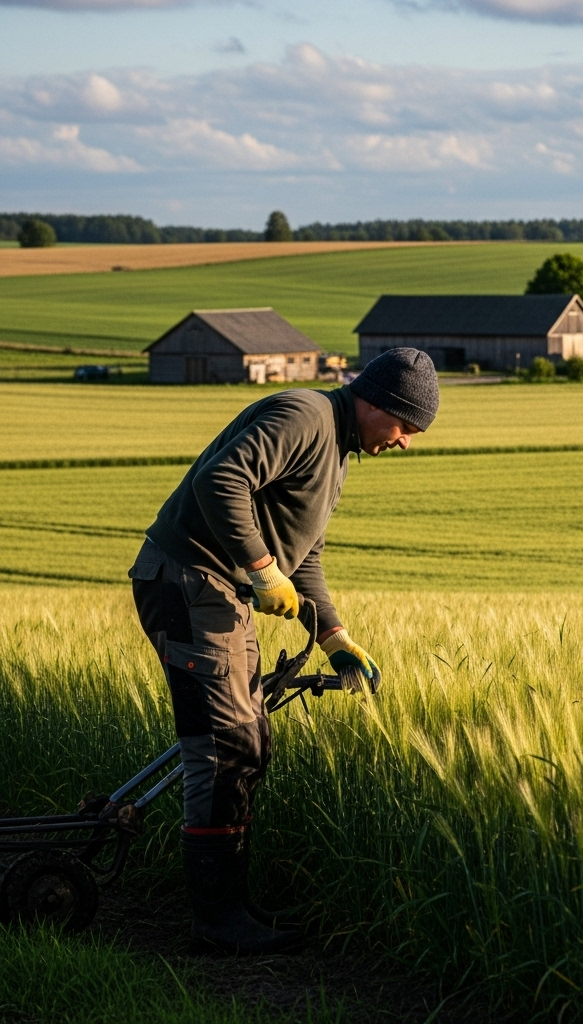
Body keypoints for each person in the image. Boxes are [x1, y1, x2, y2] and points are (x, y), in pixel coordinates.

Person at [128, 348, 439, 953]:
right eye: (406, 427)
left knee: (248, 745)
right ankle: (216, 923)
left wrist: (334, 636)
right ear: (378, 402)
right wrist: (263, 570)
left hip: (214, 592)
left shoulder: (336, 449)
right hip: (191, 583)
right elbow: (221, 479)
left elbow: (306, 555)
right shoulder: (305, 416)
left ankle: (231, 907)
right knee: (224, 749)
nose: (405, 442)